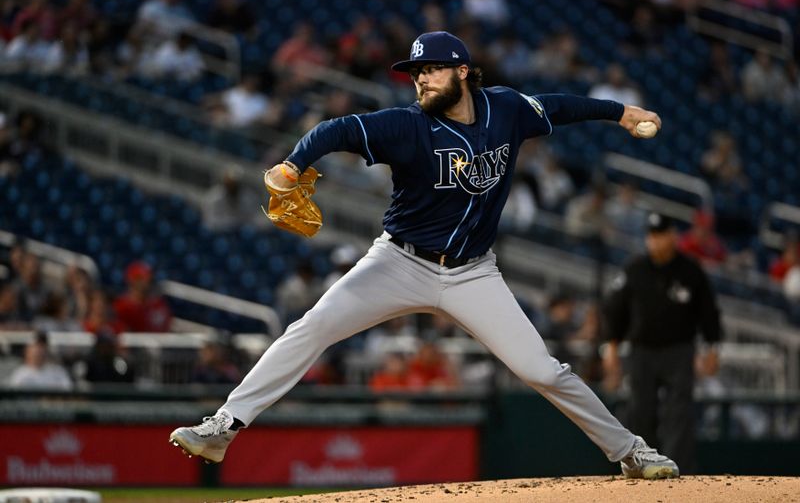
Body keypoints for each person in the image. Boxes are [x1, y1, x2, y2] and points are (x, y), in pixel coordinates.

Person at [170, 31, 678, 479]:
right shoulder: (406, 125)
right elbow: (335, 130)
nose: (420, 79)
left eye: (430, 69)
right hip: (399, 264)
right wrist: (293, 163)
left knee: (543, 371)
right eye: (414, 72)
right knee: (312, 326)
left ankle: (631, 452)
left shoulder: (507, 109)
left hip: (473, 274)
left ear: (462, 70)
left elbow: (562, 106)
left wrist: (621, 113)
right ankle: (224, 426)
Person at [602, 212, 722, 474]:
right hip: (642, 350)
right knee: (640, 410)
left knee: (679, 412)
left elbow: (708, 312)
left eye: (660, 235)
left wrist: (712, 347)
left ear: (673, 236)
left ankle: (679, 470)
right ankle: (643, 467)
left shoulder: (690, 270)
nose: (655, 242)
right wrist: (611, 347)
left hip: (679, 350)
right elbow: (615, 310)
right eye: (651, 236)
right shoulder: (634, 268)